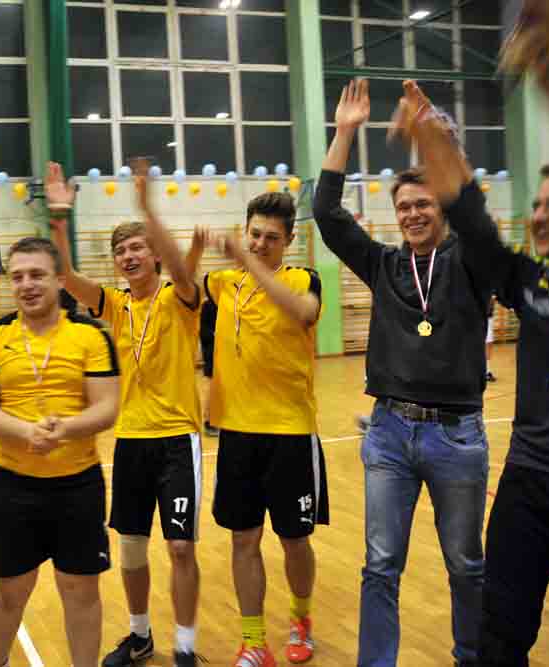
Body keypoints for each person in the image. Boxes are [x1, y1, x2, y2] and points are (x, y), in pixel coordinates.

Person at [313, 79, 492, 667]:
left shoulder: (470, 262)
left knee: (465, 565)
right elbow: (327, 214)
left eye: (423, 204)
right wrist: (344, 133)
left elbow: (474, 213)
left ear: (442, 208)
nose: (413, 214)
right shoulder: (384, 265)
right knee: (381, 565)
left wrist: (435, 139)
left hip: (456, 436)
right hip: (389, 433)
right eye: (404, 208)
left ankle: (471, 656)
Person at [395, 80, 549, 665]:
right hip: (530, 481)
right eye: (538, 205)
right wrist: (433, 138)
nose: (539, 215)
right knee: (499, 635)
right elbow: (471, 216)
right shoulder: (530, 282)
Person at [46, 160, 204, 666]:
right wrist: (58, 217)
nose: (128, 256)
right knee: (132, 548)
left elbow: (182, 268)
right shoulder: (114, 304)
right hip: (131, 439)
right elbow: (65, 276)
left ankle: (185, 645)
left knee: (180, 548)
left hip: (177, 438)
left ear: (154, 255)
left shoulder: (180, 298)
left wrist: (147, 208)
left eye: (137, 248)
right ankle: (140, 636)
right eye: (121, 251)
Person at [0, 237, 120, 667]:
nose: (27, 285)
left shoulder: (90, 335)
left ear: (58, 280)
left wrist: (64, 429)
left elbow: (107, 407)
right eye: (17, 277)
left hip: (78, 487)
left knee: (81, 591)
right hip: (12, 488)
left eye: (37, 275)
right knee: (8, 592)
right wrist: (26, 433)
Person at [193, 192, 327, 667]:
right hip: (236, 432)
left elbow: (303, 311)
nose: (260, 243)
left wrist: (248, 260)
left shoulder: (301, 278)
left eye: (271, 237)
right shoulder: (223, 283)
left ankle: (301, 619)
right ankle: (253, 642)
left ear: (288, 241)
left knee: (294, 540)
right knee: (243, 540)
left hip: (290, 431)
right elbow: (180, 283)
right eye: (254, 235)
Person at [186, 226, 219, 438]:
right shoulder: (205, 306)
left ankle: (214, 419)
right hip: (212, 349)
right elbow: (206, 333)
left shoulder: (213, 303)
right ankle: (209, 421)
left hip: (215, 348)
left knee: (218, 387)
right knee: (214, 386)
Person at [485, 295, 497, 382]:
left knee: (489, 344)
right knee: (486, 345)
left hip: (489, 318)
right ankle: (486, 371)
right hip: (484, 318)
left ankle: (487, 370)